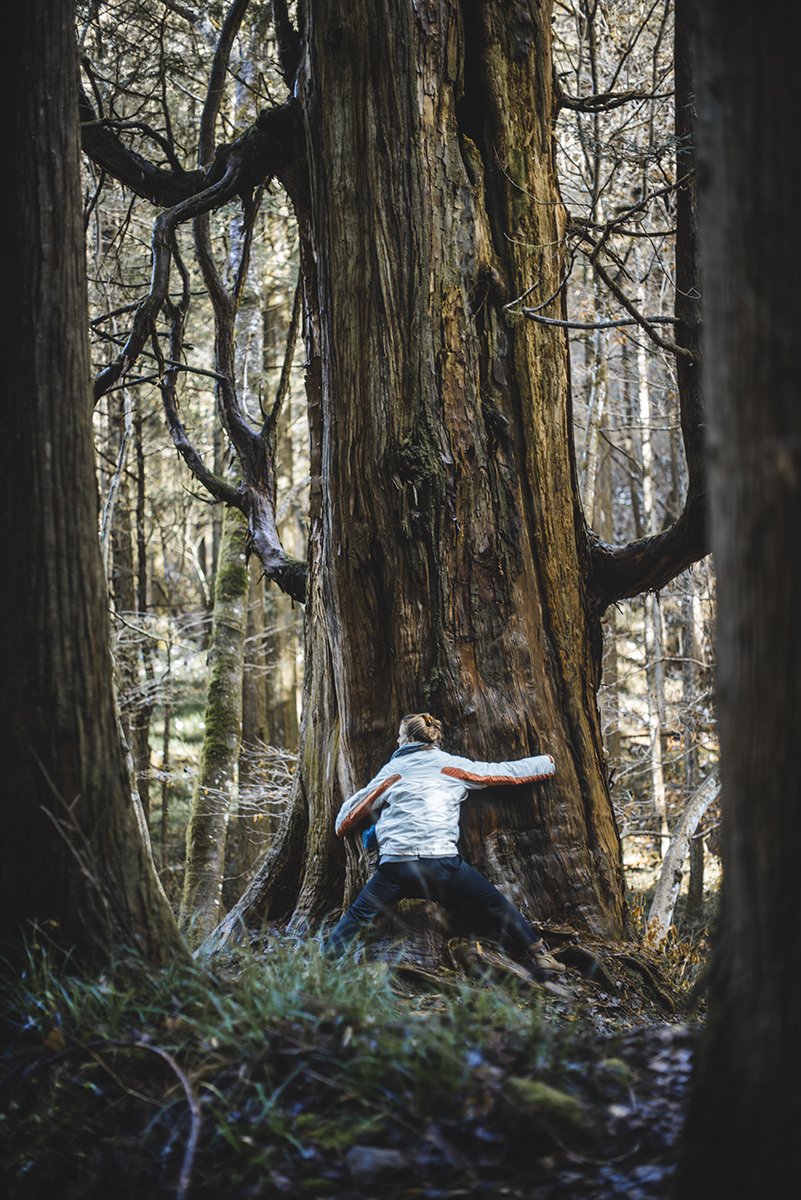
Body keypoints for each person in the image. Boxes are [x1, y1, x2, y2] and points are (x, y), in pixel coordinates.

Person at [324, 712, 566, 977]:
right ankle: (540, 956)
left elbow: (353, 810)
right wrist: (546, 763)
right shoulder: (450, 765)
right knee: (494, 901)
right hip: (441, 864)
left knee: (358, 914)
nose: (396, 740)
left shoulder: (393, 771)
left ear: (407, 741)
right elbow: (501, 772)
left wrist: (341, 825)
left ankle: (323, 966)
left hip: (396, 865)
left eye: (399, 736)